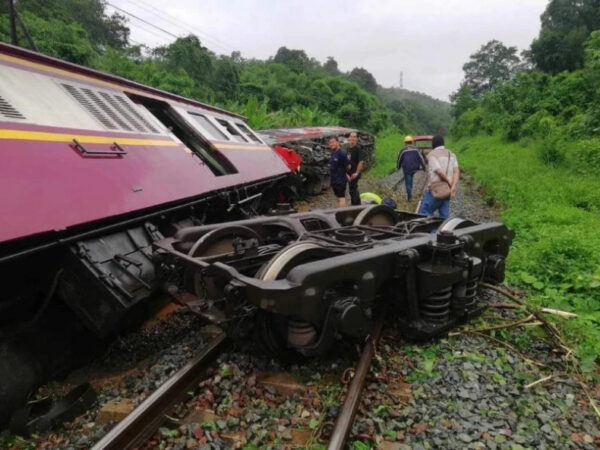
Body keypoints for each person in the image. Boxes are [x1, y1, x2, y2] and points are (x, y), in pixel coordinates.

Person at [419, 136, 459, 219]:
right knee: (444, 216)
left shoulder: (432, 155)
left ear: (433, 144)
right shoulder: (451, 154)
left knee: (426, 211)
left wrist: (447, 180)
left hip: (435, 190)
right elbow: (456, 171)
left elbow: (439, 171)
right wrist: (453, 186)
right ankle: (444, 231)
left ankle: (432, 232)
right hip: (447, 190)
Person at [396, 135, 426, 201]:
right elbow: (421, 158)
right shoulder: (416, 149)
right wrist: (424, 167)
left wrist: (398, 167)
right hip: (414, 168)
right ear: (411, 142)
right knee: (410, 180)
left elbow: (399, 159)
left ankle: (409, 198)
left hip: (406, 169)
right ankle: (410, 194)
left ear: (405, 143)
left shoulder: (403, 150)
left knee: (408, 183)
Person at [329, 136, 350, 208]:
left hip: (340, 181)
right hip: (334, 180)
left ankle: (342, 215)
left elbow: (348, 166)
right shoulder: (333, 153)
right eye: (330, 143)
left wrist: (345, 173)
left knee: (341, 198)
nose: (332, 144)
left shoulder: (342, 153)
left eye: (333, 142)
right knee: (338, 198)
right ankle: (340, 213)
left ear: (338, 142)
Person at [346, 132, 365, 205]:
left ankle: (357, 205)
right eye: (351, 136)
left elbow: (361, 161)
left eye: (354, 137)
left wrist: (356, 173)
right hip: (350, 173)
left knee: (353, 189)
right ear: (349, 138)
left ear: (357, 139)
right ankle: (354, 204)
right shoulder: (348, 148)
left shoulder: (358, 148)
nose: (352, 138)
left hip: (355, 173)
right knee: (351, 190)